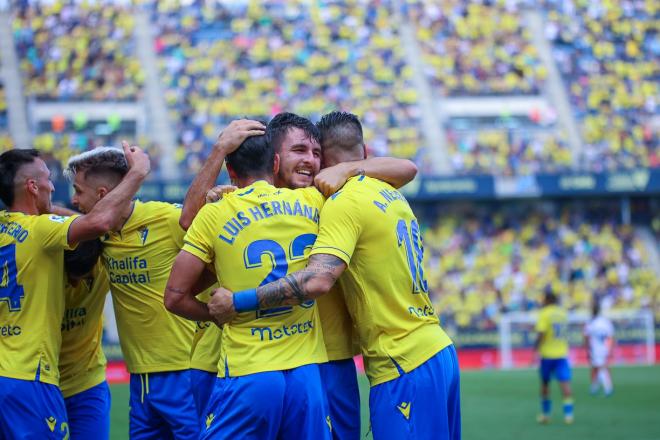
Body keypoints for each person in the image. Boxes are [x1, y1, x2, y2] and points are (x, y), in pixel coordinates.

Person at [209, 112, 460, 440]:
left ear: (326, 162)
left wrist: (238, 302)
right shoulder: (383, 193)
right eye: (299, 152)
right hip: (424, 347)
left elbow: (318, 280)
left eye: (315, 154)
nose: (309, 162)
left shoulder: (333, 199)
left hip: (357, 360)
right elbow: (407, 168)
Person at [164, 131, 331, 440]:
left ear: (231, 171)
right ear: (277, 162)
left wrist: (217, 313)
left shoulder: (215, 212)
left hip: (248, 370)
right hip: (306, 373)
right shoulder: (314, 200)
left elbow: (174, 297)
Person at [0, 144, 149, 439]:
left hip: (25, 373)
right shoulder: (40, 230)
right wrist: (138, 173)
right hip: (30, 374)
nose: (53, 186)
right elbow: (99, 222)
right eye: (47, 178)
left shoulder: (8, 228)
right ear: (32, 187)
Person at [64, 146, 211, 439]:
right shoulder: (99, 236)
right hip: (139, 378)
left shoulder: (166, 219)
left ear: (103, 194)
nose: (73, 199)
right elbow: (55, 217)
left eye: (78, 191)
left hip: (184, 371)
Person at [60, 238, 111, 440]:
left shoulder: (102, 267)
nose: (75, 284)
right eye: (70, 277)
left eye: (82, 278)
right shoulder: (42, 267)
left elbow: (112, 217)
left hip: (88, 383)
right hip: (43, 384)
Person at [535, 291, 574, 424]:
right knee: (565, 384)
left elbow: (541, 333)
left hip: (547, 354)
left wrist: (535, 348)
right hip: (562, 354)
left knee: (545, 384)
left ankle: (546, 415)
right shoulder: (563, 313)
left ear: (546, 300)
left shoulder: (545, 313)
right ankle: (568, 415)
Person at [584, 302, 615, 396]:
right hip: (605, 347)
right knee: (598, 366)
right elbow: (611, 336)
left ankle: (608, 388)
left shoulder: (591, 322)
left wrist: (587, 347)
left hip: (595, 348)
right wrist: (610, 348)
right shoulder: (606, 322)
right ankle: (595, 387)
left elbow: (586, 336)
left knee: (600, 367)